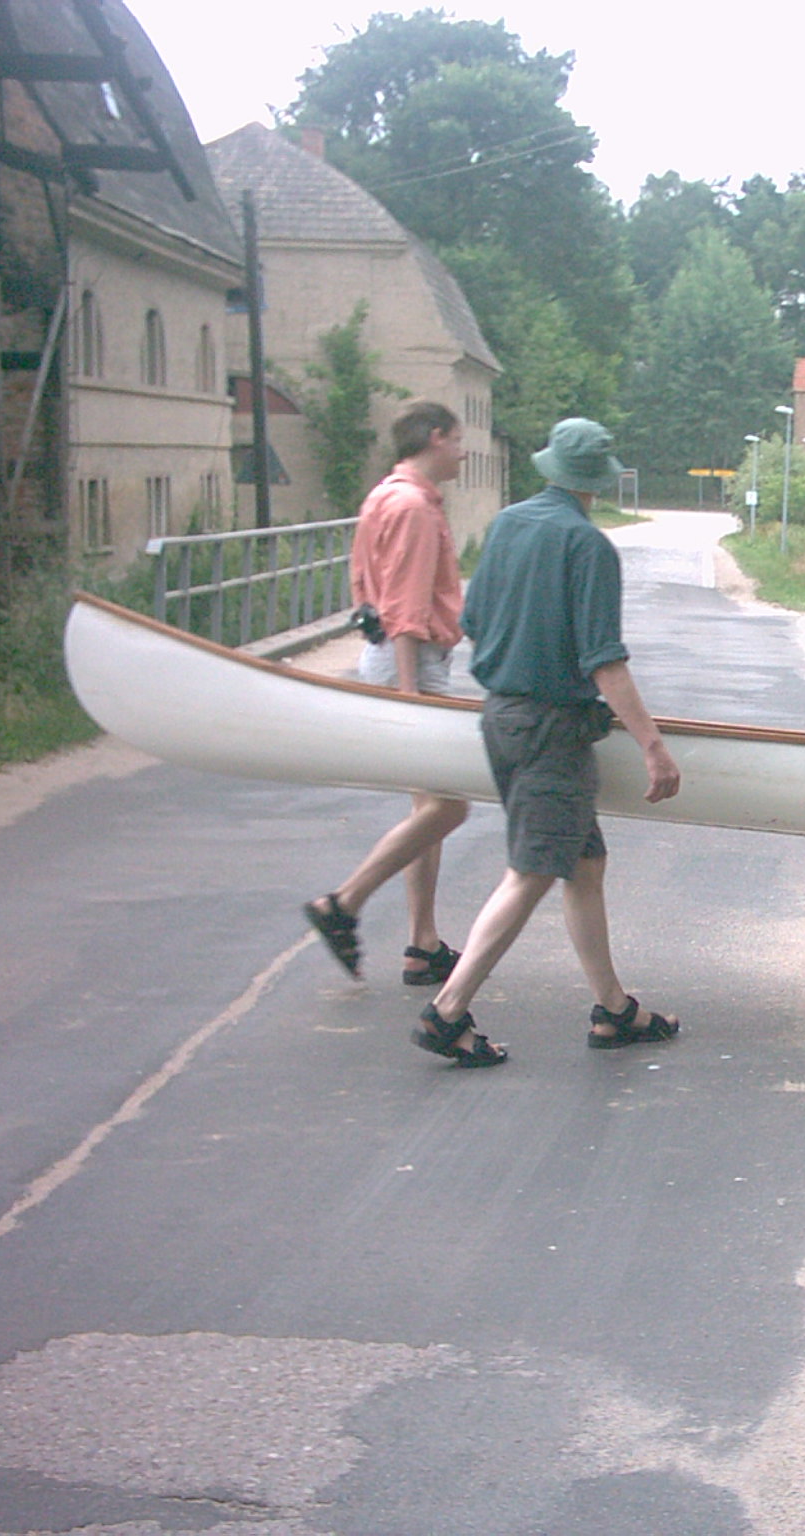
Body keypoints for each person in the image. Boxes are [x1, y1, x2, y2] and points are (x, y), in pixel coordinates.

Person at [413, 418, 683, 1068]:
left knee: (583, 864)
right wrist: (652, 744)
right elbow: (605, 663)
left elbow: (472, 620)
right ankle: (447, 1012)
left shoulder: (506, 525)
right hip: (551, 732)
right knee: (534, 870)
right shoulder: (586, 546)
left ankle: (613, 1009)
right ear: (595, 480)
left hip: (501, 717)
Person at [303, 400, 472, 986]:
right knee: (449, 806)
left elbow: (362, 587)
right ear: (433, 438)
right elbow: (404, 608)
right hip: (411, 662)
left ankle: (423, 943)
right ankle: (343, 904)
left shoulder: (385, 496)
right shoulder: (413, 507)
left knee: (430, 810)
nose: (462, 450)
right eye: (456, 439)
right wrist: (409, 701)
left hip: (402, 656)